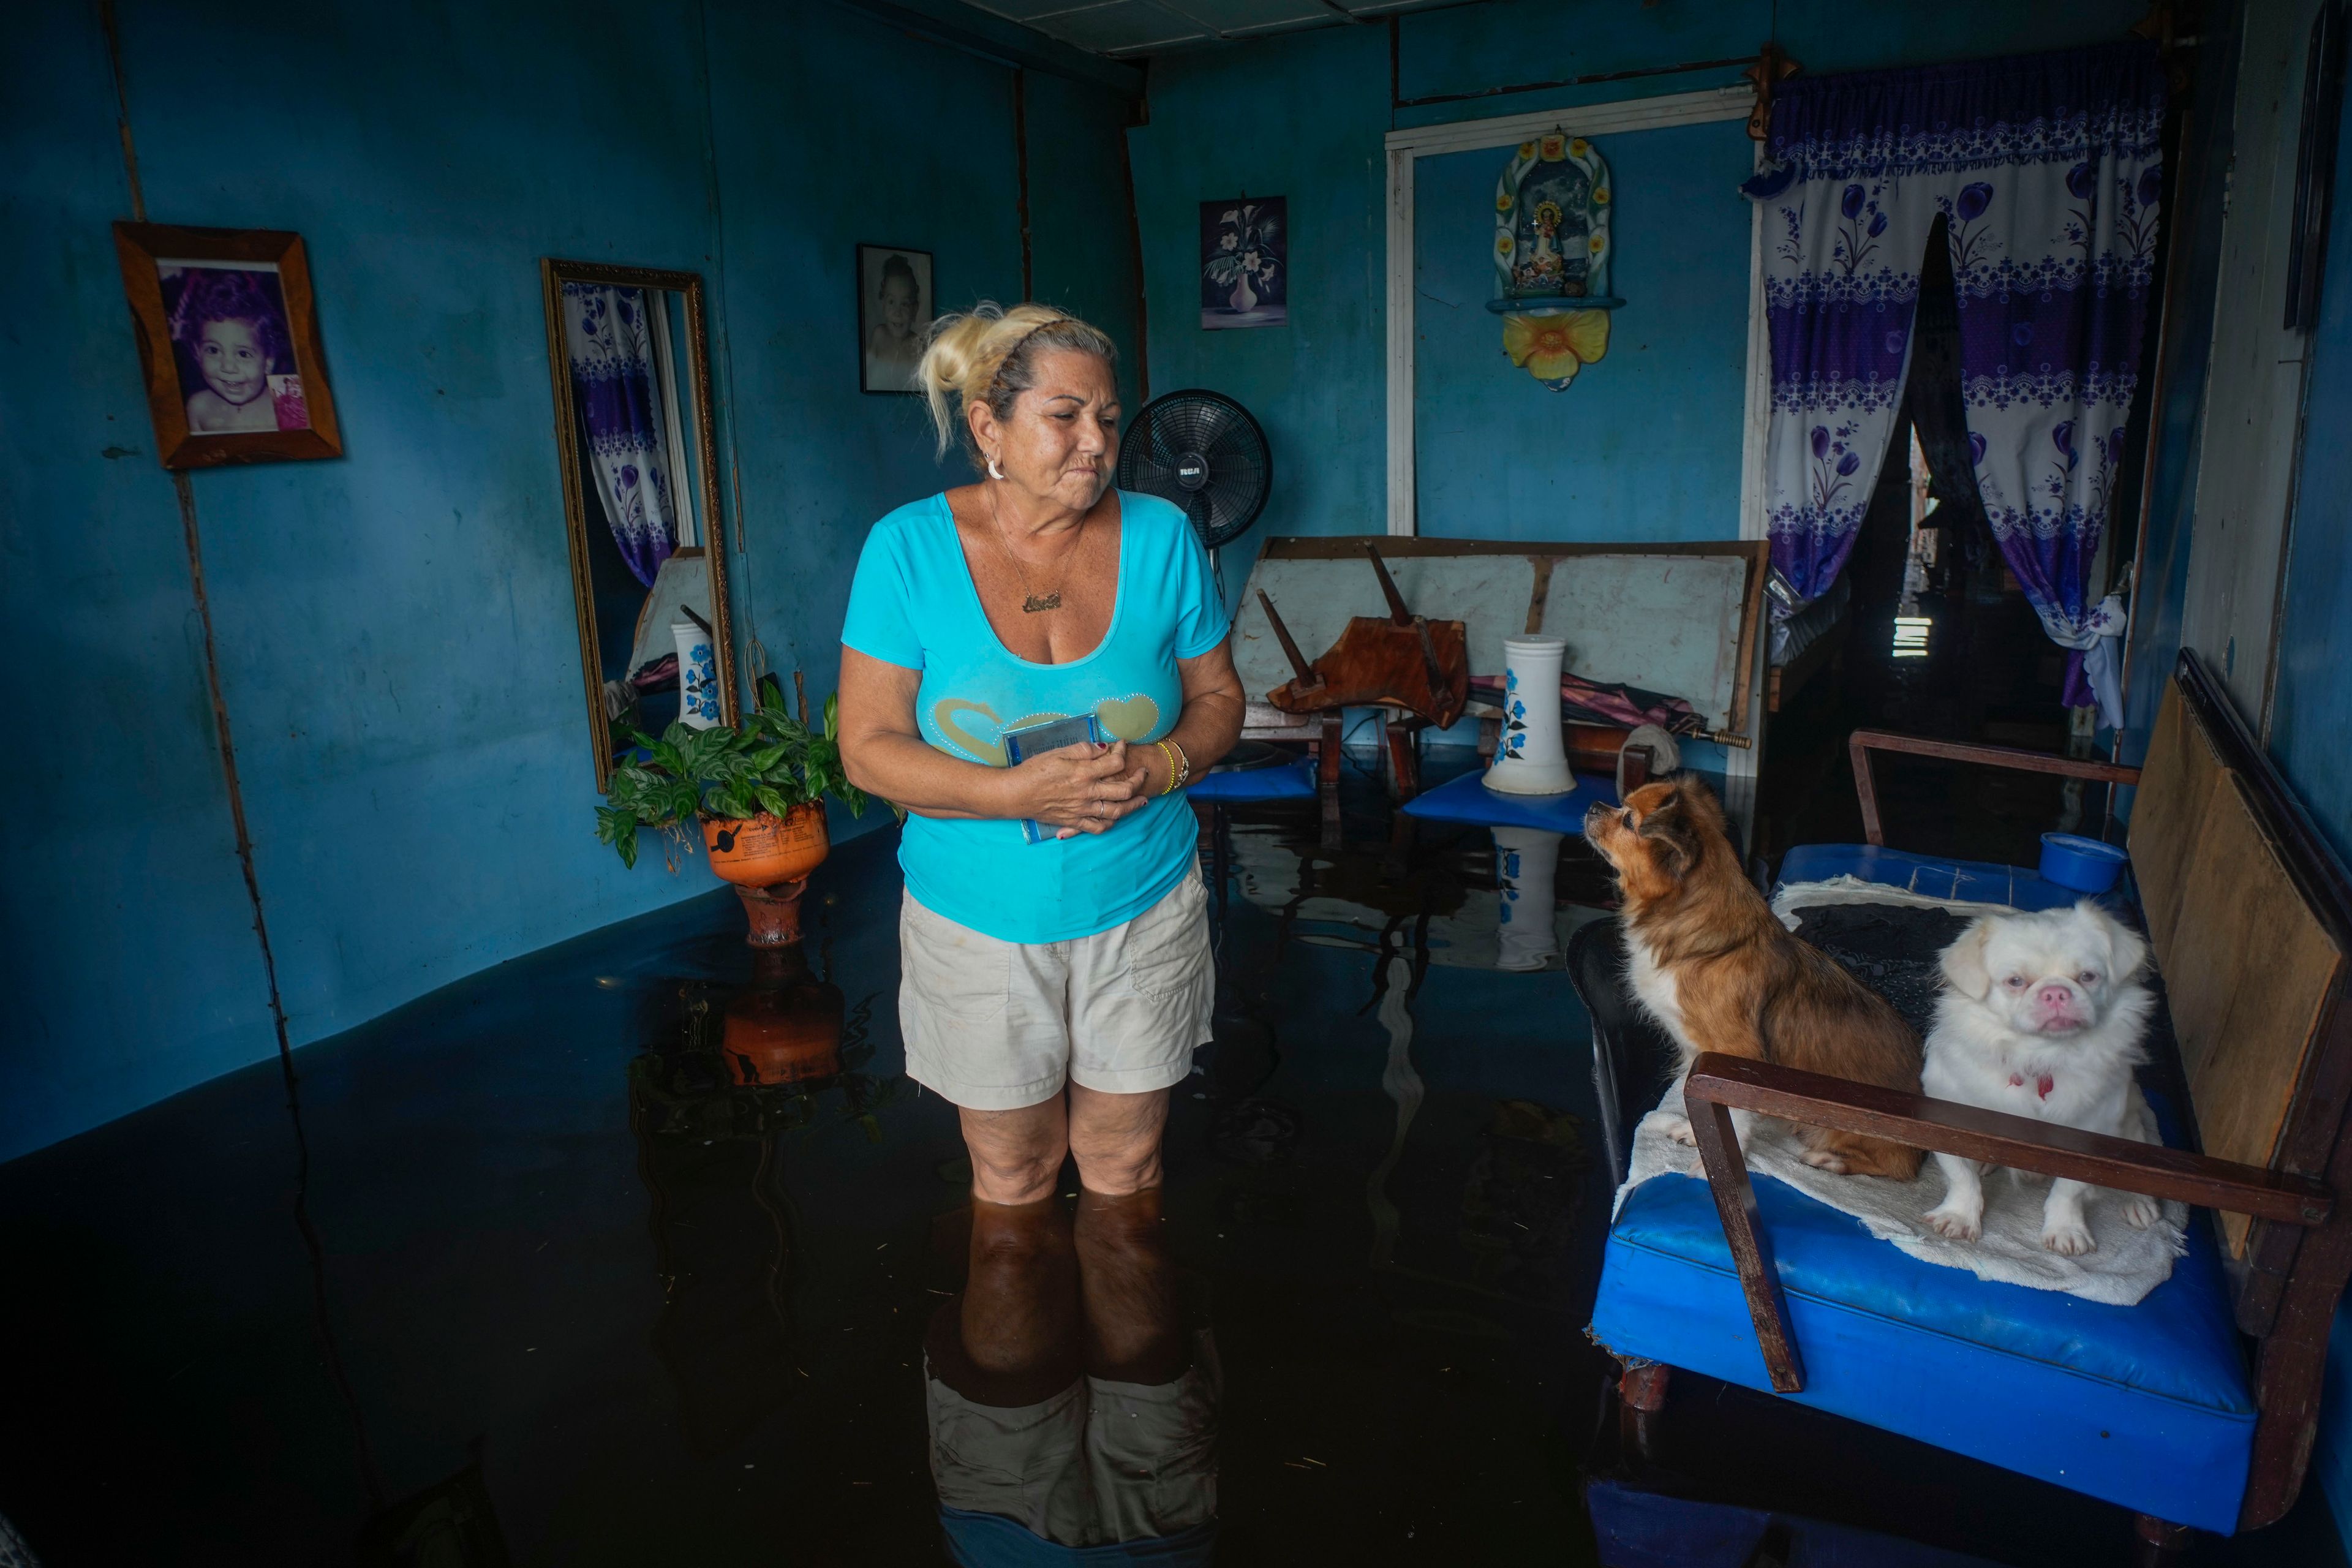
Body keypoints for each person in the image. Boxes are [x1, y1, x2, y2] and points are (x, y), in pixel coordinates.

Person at [837, 301, 1245, 1215]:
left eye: (1106, 417)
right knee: (1014, 1176)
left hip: (1143, 904)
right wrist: (1009, 790)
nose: (1095, 442)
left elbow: (1220, 701)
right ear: (990, 424)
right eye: (1065, 417)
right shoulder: (907, 550)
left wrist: (1162, 768)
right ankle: (1022, 1358)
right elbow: (866, 751)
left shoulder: (1163, 537)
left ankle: (1138, 1361)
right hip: (977, 919)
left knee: (1127, 1168)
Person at [168, 267, 290, 432]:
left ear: (268, 362)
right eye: (213, 350)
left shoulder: (289, 399)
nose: (228, 367)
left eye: (243, 354)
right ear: (197, 353)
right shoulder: (197, 407)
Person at [864, 254, 925, 391]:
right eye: (892, 302)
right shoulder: (879, 335)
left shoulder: (918, 344)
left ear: (915, 310)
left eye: (905, 304)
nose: (898, 313)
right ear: (884, 304)